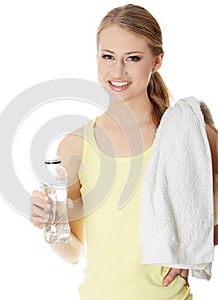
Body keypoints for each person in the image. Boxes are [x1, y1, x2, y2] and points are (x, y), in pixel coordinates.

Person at [30, 4, 218, 299]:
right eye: (108, 57)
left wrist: (192, 249)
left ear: (156, 61)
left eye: (133, 58)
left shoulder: (188, 134)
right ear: (97, 58)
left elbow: (204, 221)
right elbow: (73, 253)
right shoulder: (76, 145)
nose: (117, 71)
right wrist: (50, 224)